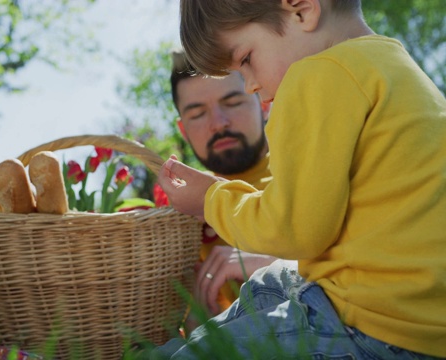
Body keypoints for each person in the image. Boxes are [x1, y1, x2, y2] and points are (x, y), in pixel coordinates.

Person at [154, 0, 446, 358]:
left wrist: (211, 200)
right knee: (268, 283)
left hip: (375, 329)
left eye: (246, 60)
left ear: (302, 10)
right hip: (420, 320)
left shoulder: (316, 76)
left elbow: (294, 229)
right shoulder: (394, 65)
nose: (250, 85)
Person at [170, 50, 279, 325]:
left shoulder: (310, 172)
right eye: (197, 114)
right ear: (183, 131)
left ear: (263, 103)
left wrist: (275, 264)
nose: (218, 123)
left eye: (232, 102)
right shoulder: (178, 217)